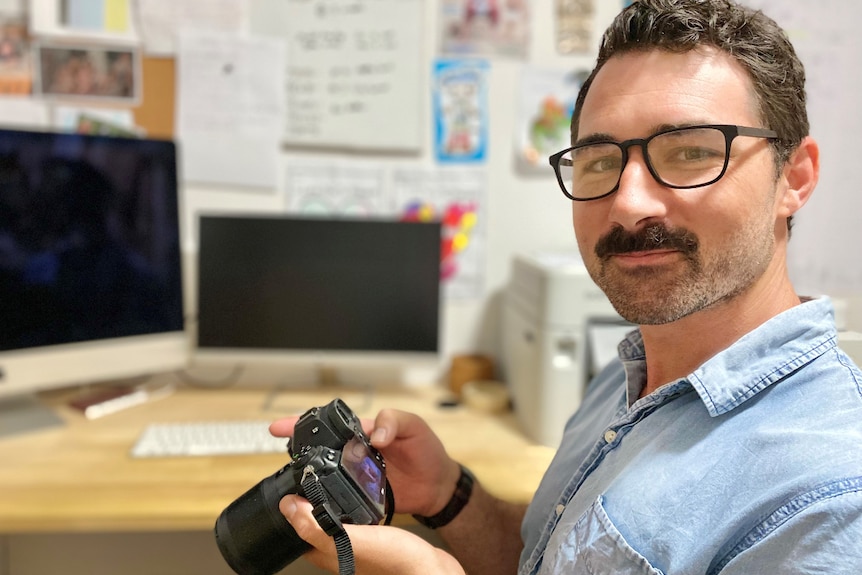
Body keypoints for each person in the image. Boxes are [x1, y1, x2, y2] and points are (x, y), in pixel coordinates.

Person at [270, 0, 862, 573]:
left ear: (795, 178)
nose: (628, 204)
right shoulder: (628, 374)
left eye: (688, 152)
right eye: (600, 161)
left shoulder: (830, 495)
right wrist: (448, 493)